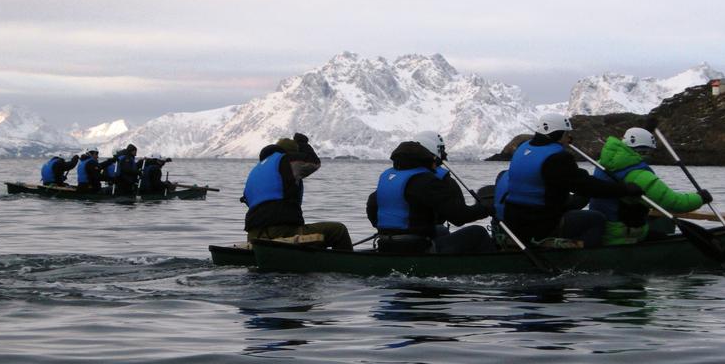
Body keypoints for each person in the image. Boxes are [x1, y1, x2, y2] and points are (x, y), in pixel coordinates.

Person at [500, 113, 643, 248]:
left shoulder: (523, 148)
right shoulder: (557, 158)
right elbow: (585, 186)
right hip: (540, 222)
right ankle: (588, 261)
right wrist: (624, 189)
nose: (569, 138)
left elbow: (567, 181)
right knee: (596, 219)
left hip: (513, 218)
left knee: (574, 203)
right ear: (558, 134)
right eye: (567, 134)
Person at [366, 135, 496, 254]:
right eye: (434, 162)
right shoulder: (426, 181)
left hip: (385, 244)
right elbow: (459, 218)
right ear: (427, 160)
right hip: (416, 248)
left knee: (441, 230)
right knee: (478, 233)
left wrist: (390, 231)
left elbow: (371, 208)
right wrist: (486, 207)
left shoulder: (389, 177)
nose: (436, 166)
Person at [589, 127, 711, 245]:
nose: (650, 155)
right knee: (664, 238)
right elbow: (675, 203)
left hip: (604, 231)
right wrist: (701, 198)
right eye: (649, 151)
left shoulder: (602, 164)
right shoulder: (639, 175)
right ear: (644, 151)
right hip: (622, 236)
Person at [241, 133, 353, 250]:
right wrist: (303, 143)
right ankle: (348, 265)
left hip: (253, 235)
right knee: (339, 231)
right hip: (282, 231)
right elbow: (314, 162)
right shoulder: (287, 159)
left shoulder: (256, 170)